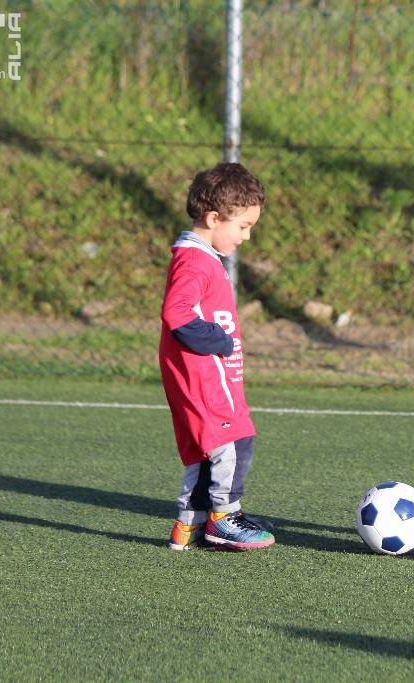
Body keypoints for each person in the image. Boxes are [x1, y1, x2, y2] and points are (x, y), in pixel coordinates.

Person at [159, 162, 274, 551]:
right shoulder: (194, 260)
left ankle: (188, 526)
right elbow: (178, 313)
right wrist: (220, 341)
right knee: (237, 441)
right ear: (213, 218)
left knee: (206, 453)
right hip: (205, 377)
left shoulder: (201, 256)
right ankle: (224, 519)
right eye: (242, 227)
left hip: (211, 377)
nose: (247, 236)